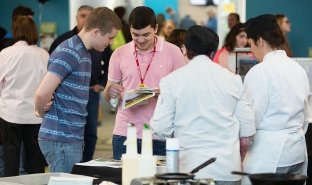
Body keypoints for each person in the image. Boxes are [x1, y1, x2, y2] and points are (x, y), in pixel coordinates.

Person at [150, 25, 255, 184]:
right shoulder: (232, 79)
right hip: (227, 169)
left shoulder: (171, 81)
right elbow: (247, 128)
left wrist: (180, 132)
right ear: (213, 52)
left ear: (184, 49)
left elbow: (160, 128)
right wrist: (238, 159)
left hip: (189, 169)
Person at [35, 7, 121, 173]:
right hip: (61, 138)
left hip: (70, 137)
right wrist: (41, 113)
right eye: (110, 37)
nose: (110, 42)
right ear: (96, 32)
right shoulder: (69, 51)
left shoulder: (84, 52)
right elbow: (41, 93)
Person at [103, 6, 185, 160]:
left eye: (146, 34)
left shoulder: (173, 52)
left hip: (161, 134)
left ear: (156, 28)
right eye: (135, 35)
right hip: (125, 133)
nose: (140, 40)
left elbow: (185, 93)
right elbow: (108, 95)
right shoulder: (119, 53)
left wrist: (165, 93)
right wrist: (110, 91)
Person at [242, 14, 310, 184]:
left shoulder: (260, 71)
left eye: (250, 44)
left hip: (269, 156)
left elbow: (251, 119)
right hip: (297, 151)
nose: (250, 50)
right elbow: (305, 115)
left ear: (259, 41)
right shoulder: (298, 68)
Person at [48, 5, 112, 162]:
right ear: (77, 18)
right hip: (66, 94)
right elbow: (51, 68)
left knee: (90, 131)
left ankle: (86, 164)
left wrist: (101, 83)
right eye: (82, 15)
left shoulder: (101, 40)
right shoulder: (64, 41)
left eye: (89, 16)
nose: (85, 19)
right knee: (69, 133)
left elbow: (111, 63)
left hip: (91, 91)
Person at [0, 16, 48, 177]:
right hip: (35, 115)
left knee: (10, 158)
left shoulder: (5, 54)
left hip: (9, 113)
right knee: (35, 160)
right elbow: (47, 86)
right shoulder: (43, 54)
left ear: (15, 31)